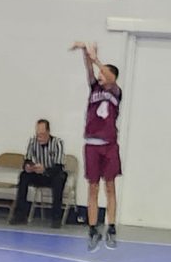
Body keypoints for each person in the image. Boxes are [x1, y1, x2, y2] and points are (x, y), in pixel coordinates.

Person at [73, 42, 121, 249]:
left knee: (109, 186)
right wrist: (86, 51)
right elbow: (89, 68)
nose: (100, 75)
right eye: (100, 72)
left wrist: (97, 60)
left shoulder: (116, 91)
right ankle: (93, 228)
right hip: (91, 144)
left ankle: (111, 227)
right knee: (92, 187)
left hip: (109, 145)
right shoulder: (94, 88)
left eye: (104, 73)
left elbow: (108, 77)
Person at [12, 118, 70, 226]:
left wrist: (45, 170)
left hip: (53, 173)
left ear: (48, 132)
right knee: (23, 176)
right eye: (38, 134)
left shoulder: (58, 143)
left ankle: (56, 217)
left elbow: (58, 166)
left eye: (42, 135)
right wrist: (28, 166)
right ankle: (20, 215)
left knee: (59, 179)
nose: (39, 138)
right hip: (38, 173)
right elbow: (27, 159)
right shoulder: (32, 141)